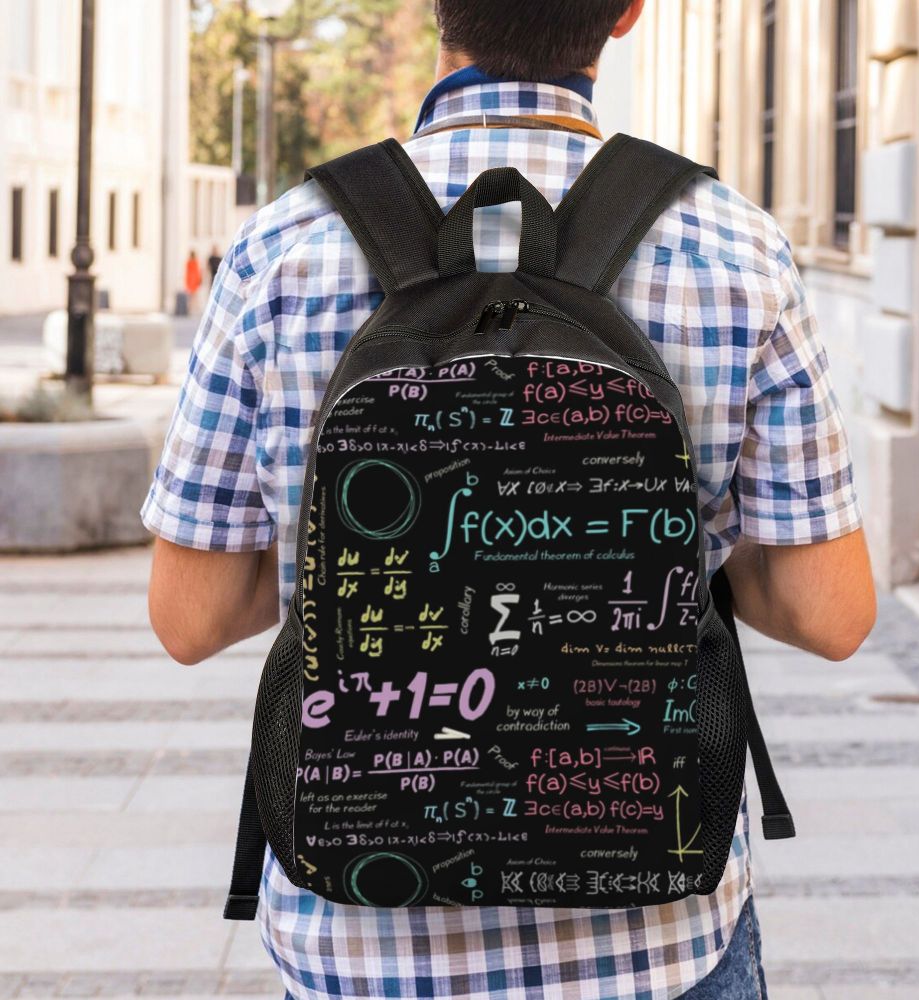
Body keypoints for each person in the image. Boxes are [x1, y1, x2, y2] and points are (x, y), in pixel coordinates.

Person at [142, 1, 877, 997]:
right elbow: (830, 613)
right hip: (654, 933)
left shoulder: (282, 248)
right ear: (626, 14)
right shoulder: (731, 246)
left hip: (360, 936)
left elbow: (190, 617)